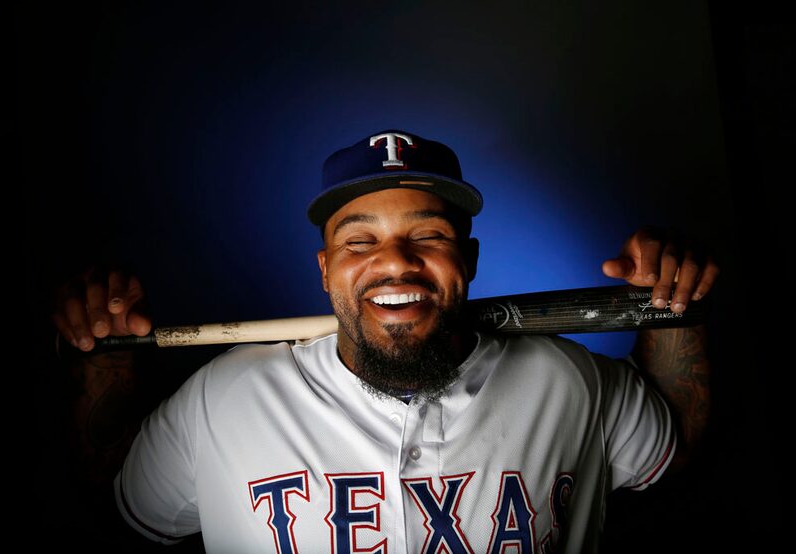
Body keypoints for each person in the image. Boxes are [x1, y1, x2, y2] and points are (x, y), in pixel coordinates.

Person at [52, 130, 717, 553]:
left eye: (427, 235)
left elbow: (674, 449)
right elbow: (120, 498)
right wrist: (103, 360)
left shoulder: (568, 382)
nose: (395, 262)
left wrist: (672, 309)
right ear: (325, 269)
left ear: (471, 260)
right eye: (359, 240)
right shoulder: (224, 398)